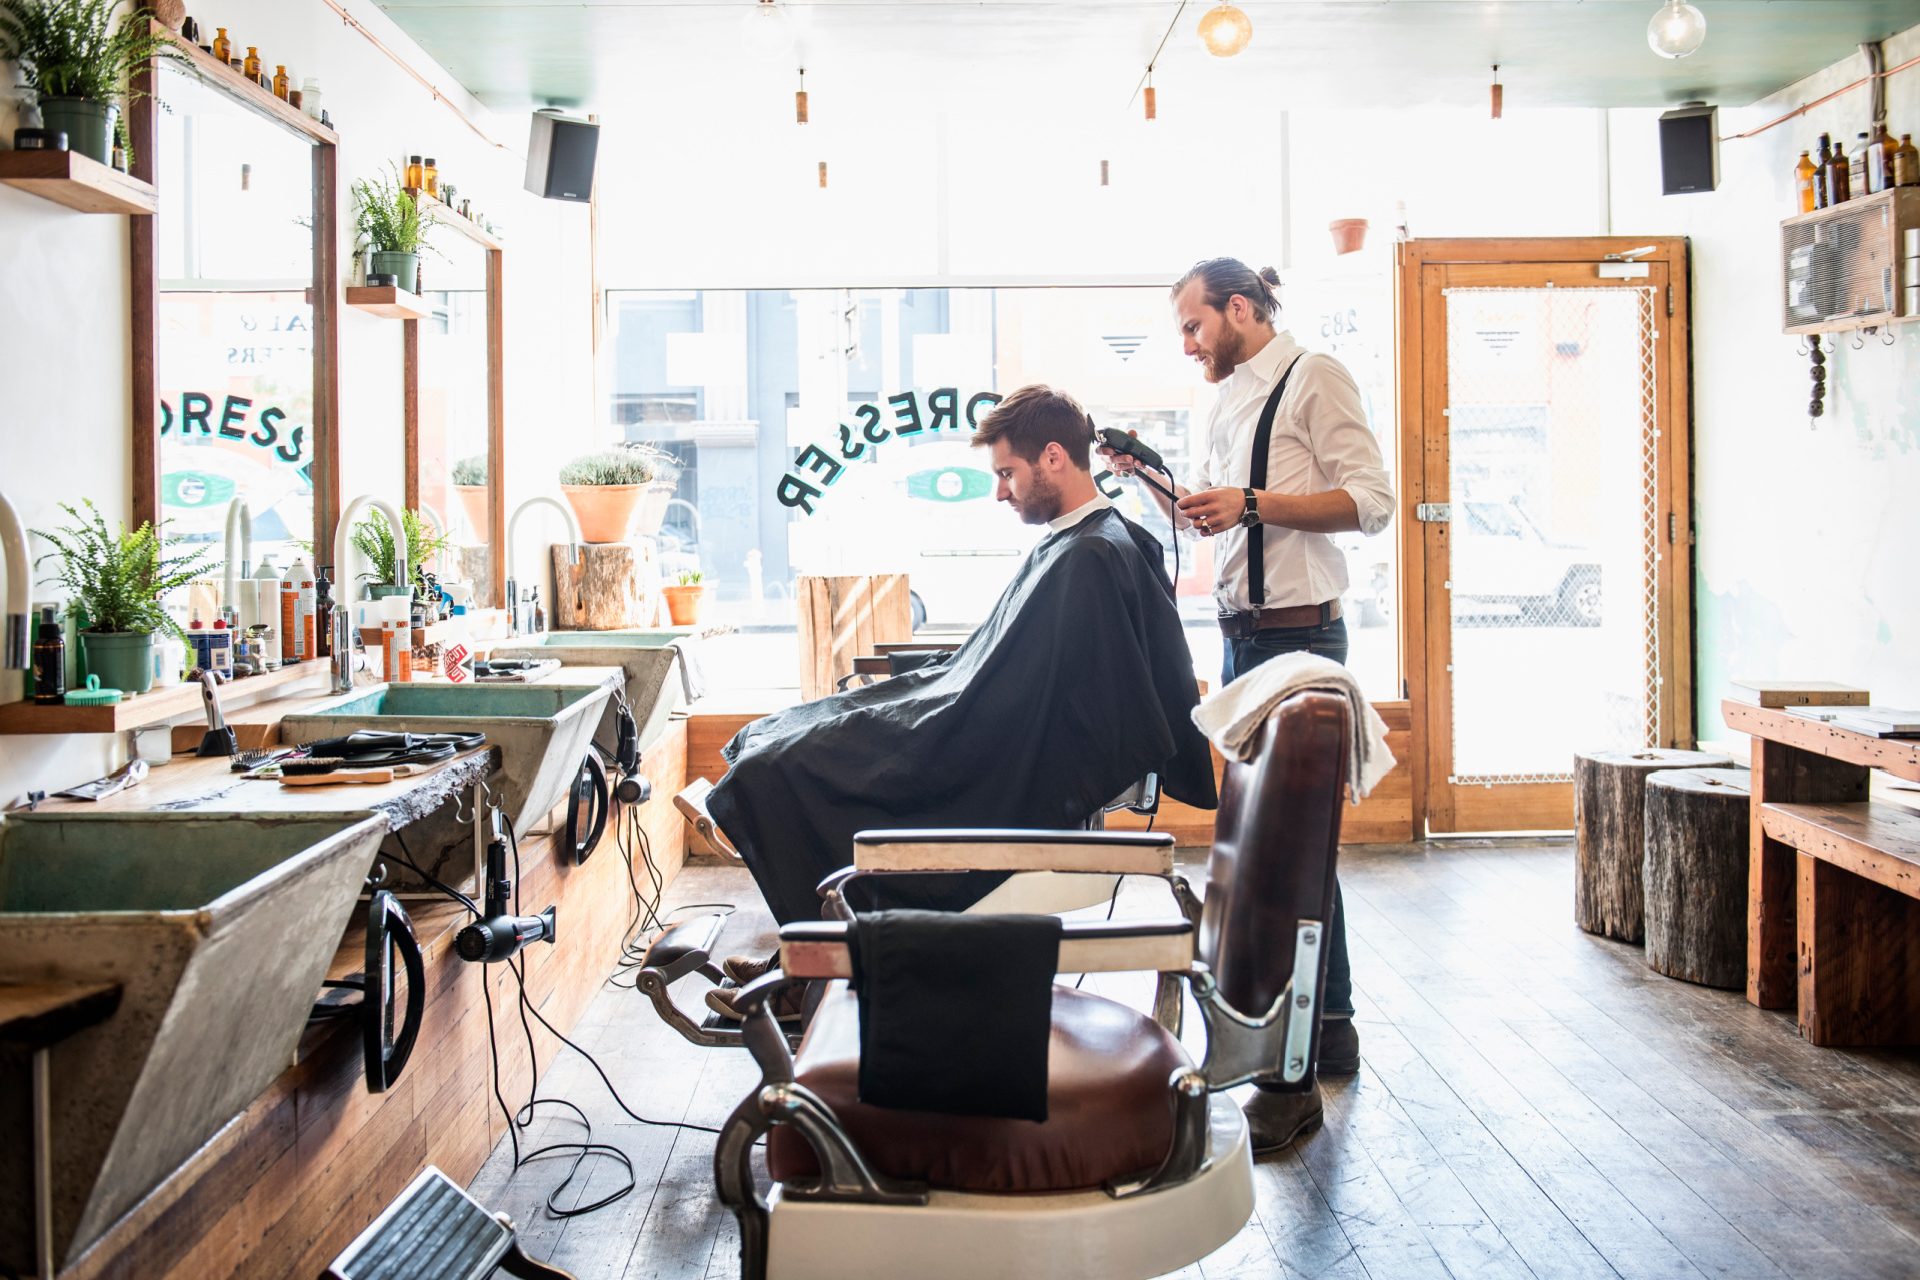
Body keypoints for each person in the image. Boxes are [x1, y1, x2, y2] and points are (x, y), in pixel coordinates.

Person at [702, 384, 1217, 1018]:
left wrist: (923, 716)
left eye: (1007, 473)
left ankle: (815, 964)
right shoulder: (1084, 541)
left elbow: (1036, 714)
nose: (1000, 491)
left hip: (987, 766)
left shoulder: (1090, 557)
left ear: (1054, 457)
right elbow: (1010, 679)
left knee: (773, 768)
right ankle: (811, 947)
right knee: (774, 736)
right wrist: (923, 696)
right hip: (973, 728)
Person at [1100, 257, 1393, 1152]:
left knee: (1289, 854)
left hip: (1300, 638)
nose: (1187, 345)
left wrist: (1255, 503)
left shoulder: (1316, 376)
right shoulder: (1228, 397)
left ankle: (1301, 1048)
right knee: (1288, 852)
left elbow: (1374, 504)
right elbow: (1227, 516)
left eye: (1194, 326)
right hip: (1246, 636)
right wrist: (1159, 488)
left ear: (1239, 308)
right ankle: (1326, 1027)